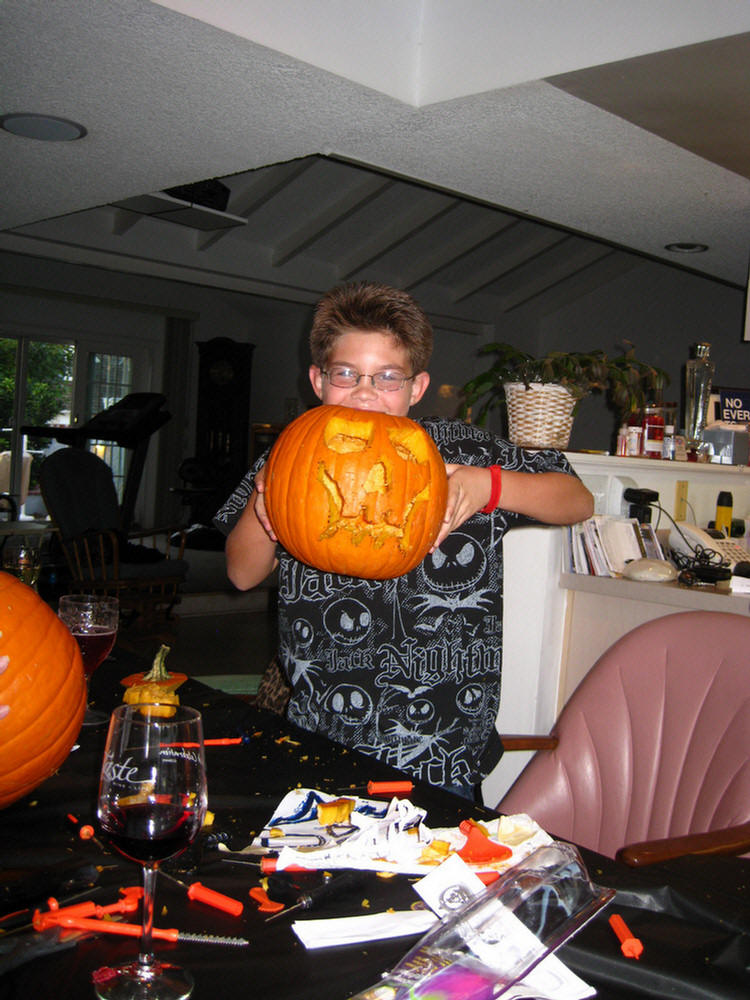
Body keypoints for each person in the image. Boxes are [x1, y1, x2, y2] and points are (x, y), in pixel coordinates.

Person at [214, 282, 593, 798]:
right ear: (318, 380)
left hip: (444, 745)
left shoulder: (464, 448)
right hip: (319, 736)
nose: (366, 391)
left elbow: (577, 500)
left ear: (417, 387)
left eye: (388, 377)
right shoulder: (289, 452)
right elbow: (240, 574)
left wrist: (491, 485)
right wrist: (264, 511)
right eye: (346, 373)